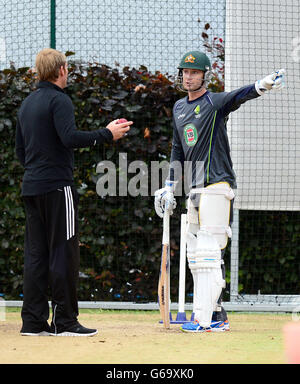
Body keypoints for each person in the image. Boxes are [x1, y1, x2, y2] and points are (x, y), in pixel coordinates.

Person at [154, 50, 285, 333]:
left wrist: (261, 85)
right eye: (185, 72)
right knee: (198, 255)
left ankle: (205, 319)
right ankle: (217, 314)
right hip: (196, 187)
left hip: (218, 183)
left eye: (194, 72)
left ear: (204, 75)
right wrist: (168, 186)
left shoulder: (214, 103)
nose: (188, 77)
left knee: (210, 253)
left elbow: (239, 96)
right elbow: (178, 149)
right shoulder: (178, 108)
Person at [15, 48, 133, 337]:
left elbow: (20, 152)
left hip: (31, 187)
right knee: (63, 254)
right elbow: (69, 138)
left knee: (36, 255)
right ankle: (65, 322)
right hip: (57, 188)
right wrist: (107, 133)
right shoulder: (60, 100)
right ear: (62, 70)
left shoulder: (27, 104)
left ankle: (32, 323)